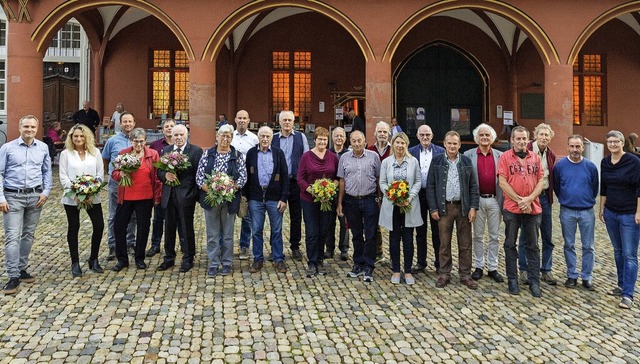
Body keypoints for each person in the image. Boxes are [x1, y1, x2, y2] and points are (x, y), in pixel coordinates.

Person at [0, 115, 53, 295]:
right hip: (12, 197)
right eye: (26, 127)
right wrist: (1, 198)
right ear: (19, 127)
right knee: (12, 237)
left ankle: (22, 269)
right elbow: (0, 173)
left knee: (28, 235)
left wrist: (45, 193)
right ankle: (13, 276)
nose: (29, 130)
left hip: (35, 197)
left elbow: (47, 172)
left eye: (32, 127)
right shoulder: (7, 148)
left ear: (37, 129)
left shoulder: (43, 148)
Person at [427, 131, 479, 290]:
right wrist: (433, 207)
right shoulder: (436, 161)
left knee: (465, 243)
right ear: (444, 144)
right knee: (444, 243)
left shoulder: (466, 161)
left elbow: (473, 186)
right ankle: (444, 273)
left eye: (455, 143)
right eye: (449, 143)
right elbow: (430, 186)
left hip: (463, 207)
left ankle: (465, 274)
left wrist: (473, 207)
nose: (452, 146)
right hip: (444, 208)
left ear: (459, 145)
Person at [498, 126, 545, 298]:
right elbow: (502, 182)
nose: (521, 142)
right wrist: (520, 200)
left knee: (533, 246)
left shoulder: (535, 158)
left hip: (532, 208)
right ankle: (512, 279)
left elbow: (541, 180)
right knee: (510, 244)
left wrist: (529, 199)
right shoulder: (504, 157)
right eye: (518, 139)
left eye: (524, 138)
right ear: (512, 140)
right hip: (512, 208)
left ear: (528, 139)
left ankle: (534, 281)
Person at [196, 124, 247, 277]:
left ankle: (226, 263)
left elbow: (242, 177)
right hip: (210, 200)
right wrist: (212, 192)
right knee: (212, 233)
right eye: (222, 136)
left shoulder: (237, 155)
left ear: (232, 138)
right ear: (217, 137)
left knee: (227, 234)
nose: (225, 139)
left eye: (228, 136)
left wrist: (227, 191)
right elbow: (199, 177)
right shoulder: (207, 154)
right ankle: (213, 263)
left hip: (230, 200)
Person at [111, 128, 162, 271]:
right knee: (119, 226)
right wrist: (120, 174)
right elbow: (114, 173)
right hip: (126, 196)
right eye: (135, 141)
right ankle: (122, 259)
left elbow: (158, 178)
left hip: (145, 196)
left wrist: (157, 196)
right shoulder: (123, 154)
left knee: (143, 227)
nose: (138, 144)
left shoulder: (153, 155)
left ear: (146, 141)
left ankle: (139, 258)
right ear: (131, 141)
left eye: (141, 141)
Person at [600, 130, 640, 309]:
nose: (613, 144)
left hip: (629, 214)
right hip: (611, 213)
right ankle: (621, 285)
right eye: (610, 142)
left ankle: (628, 294)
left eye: (616, 142)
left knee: (629, 254)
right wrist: (601, 209)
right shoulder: (605, 162)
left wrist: (639, 212)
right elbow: (604, 187)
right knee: (617, 251)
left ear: (622, 143)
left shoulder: (634, 162)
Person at [553, 134, 598, 290]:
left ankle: (587, 277)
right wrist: (567, 199)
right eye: (572, 146)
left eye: (578, 146)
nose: (575, 149)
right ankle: (572, 275)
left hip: (587, 211)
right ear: (567, 147)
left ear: (582, 147)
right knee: (569, 244)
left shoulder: (591, 167)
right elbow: (557, 187)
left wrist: (585, 200)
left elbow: (595, 188)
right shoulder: (560, 166)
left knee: (588, 246)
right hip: (567, 211)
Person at [59, 124, 105, 277]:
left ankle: (93, 258)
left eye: (81, 136)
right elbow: (63, 177)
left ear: (87, 137)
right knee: (74, 227)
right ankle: (75, 262)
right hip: (72, 196)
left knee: (99, 225)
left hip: (92, 195)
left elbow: (100, 174)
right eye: (75, 136)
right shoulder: (66, 154)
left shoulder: (95, 152)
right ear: (71, 138)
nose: (78, 139)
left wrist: (92, 191)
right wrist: (76, 193)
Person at [156, 125, 203, 273]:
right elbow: (159, 171)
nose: (178, 137)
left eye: (181, 134)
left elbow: (198, 175)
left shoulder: (195, 151)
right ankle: (169, 258)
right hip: (169, 195)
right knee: (168, 228)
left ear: (187, 135)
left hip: (186, 196)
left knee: (186, 227)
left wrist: (193, 195)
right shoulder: (167, 151)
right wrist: (165, 176)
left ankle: (188, 258)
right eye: (175, 135)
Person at [336, 130, 381, 283]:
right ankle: (358, 263)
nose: (356, 144)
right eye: (354, 141)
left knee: (370, 234)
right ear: (350, 141)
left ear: (364, 141)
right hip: (351, 200)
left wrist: (380, 199)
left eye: (359, 141)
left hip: (369, 199)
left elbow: (379, 178)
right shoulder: (344, 158)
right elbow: (341, 181)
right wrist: (340, 203)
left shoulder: (373, 157)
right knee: (356, 234)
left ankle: (369, 264)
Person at [244, 126, 289, 274]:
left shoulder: (278, 153)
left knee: (276, 230)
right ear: (258, 137)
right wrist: (246, 197)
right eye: (262, 136)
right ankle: (258, 259)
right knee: (256, 230)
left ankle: (278, 259)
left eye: (267, 136)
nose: (264, 139)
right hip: (255, 198)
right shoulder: (251, 153)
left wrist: (284, 198)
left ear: (271, 138)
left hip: (274, 198)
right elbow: (247, 177)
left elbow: (285, 177)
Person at [379, 132, 422, 285]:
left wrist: (408, 197)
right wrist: (392, 195)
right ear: (393, 144)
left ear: (406, 145)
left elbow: (417, 181)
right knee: (394, 237)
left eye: (402, 143)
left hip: (408, 205)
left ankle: (408, 271)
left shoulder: (413, 161)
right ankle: (396, 270)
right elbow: (382, 182)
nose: (399, 146)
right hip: (392, 205)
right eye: (397, 143)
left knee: (409, 238)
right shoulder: (386, 162)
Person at [464, 124, 504, 283]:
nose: (484, 138)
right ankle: (479, 266)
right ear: (477, 138)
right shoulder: (468, 155)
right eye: (481, 135)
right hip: (477, 200)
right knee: (478, 235)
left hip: (495, 199)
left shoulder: (501, 156)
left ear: (492, 137)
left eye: (487, 135)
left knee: (495, 236)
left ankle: (493, 267)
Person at [298, 127, 340, 277]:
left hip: (327, 200)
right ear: (314, 140)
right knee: (312, 231)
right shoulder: (306, 157)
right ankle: (311, 261)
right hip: (309, 200)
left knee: (324, 230)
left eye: (324, 139)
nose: (322, 142)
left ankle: (320, 259)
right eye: (319, 139)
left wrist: (329, 190)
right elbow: (300, 178)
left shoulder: (333, 157)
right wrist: (314, 191)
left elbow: (337, 177)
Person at [519, 123, 557, 286]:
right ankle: (524, 269)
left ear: (550, 137)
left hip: (544, 199)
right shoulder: (525, 150)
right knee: (525, 235)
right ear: (535, 135)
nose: (544, 138)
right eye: (541, 134)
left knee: (547, 236)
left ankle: (546, 270)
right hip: (527, 198)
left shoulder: (551, 154)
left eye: (547, 135)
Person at [271, 110, 309, 260]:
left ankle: (295, 246)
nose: (287, 123)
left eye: (290, 120)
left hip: (295, 182)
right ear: (279, 122)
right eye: (284, 120)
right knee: (275, 216)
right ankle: (275, 247)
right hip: (277, 183)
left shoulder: (301, 137)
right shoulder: (273, 139)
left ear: (294, 122)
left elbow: (306, 158)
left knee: (296, 216)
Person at [146, 119, 184, 257]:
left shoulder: (181, 145)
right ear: (162, 130)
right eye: (166, 126)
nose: (169, 128)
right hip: (160, 187)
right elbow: (153, 168)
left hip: (179, 189)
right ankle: (155, 244)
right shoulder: (156, 145)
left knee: (180, 218)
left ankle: (184, 244)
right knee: (158, 218)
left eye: (171, 126)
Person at [102, 112, 137, 261]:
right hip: (116, 182)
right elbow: (105, 159)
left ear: (134, 123)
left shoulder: (138, 140)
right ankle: (113, 245)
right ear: (120, 123)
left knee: (133, 216)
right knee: (114, 214)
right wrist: (111, 174)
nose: (127, 124)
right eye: (125, 121)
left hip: (134, 184)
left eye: (130, 121)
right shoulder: (112, 141)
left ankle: (130, 242)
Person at [409, 124, 444, 274]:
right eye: (422, 135)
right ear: (417, 136)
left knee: (437, 231)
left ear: (432, 136)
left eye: (427, 135)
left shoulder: (440, 152)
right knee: (420, 230)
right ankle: (421, 262)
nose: (425, 137)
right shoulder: (411, 152)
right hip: (418, 195)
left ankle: (439, 262)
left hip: (435, 195)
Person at [231, 110, 259, 260]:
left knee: (246, 216)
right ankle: (226, 246)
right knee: (229, 215)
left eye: (244, 118)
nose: (242, 120)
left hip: (248, 181)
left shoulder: (254, 139)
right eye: (239, 118)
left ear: (248, 120)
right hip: (230, 182)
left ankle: (244, 246)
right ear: (235, 120)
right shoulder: (230, 136)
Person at [367, 121, 391, 262]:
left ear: (389, 134)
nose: (382, 134)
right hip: (373, 192)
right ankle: (378, 251)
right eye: (380, 132)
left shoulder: (394, 149)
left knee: (394, 224)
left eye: (385, 132)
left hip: (391, 192)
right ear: (375, 134)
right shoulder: (369, 150)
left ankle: (394, 256)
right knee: (374, 224)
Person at [326, 127, 350, 261]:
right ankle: (329, 248)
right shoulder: (327, 153)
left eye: (341, 136)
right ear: (332, 138)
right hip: (329, 193)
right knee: (329, 222)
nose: (339, 138)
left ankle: (344, 249)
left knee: (344, 222)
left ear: (345, 139)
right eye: (336, 136)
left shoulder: (349, 154)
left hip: (345, 193)